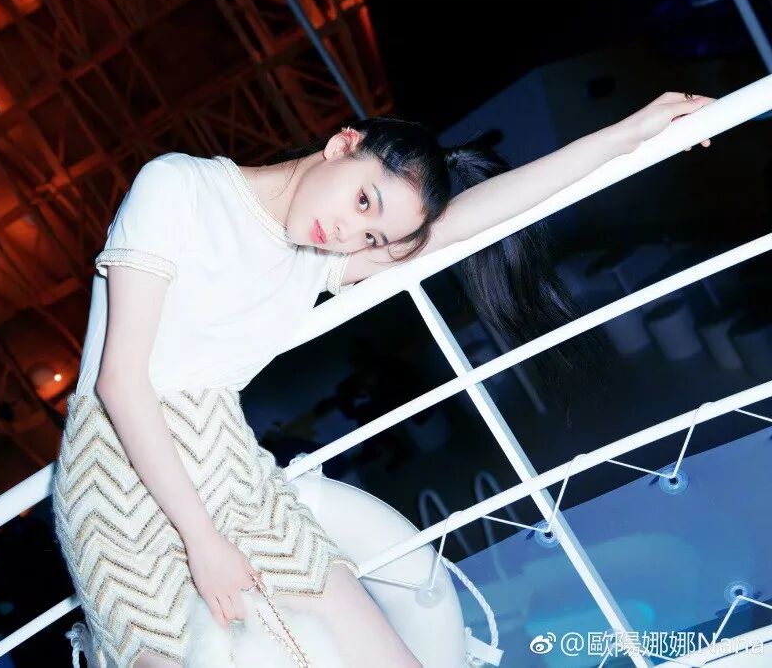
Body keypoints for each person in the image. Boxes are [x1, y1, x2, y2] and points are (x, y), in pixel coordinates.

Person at [52, 92, 714, 667]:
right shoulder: (179, 186)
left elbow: (475, 217)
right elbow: (120, 384)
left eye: (372, 238)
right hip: (116, 474)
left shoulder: (317, 258)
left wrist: (632, 132)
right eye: (363, 199)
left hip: (227, 463)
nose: (349, 232)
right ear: (344, 144)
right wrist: (202, 541)